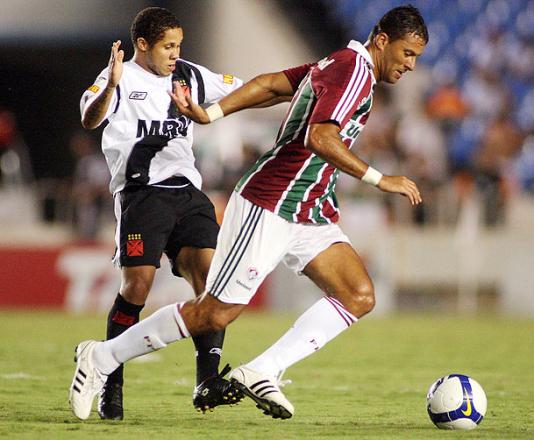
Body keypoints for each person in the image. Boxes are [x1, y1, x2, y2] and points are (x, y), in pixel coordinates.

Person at [69, 4, 427, 420]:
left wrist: (211, 112)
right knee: (211, 311)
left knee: (358, 294)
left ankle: (261, 370)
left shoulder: (338, 63)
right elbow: (319, 137)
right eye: (407, 53)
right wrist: (381, 179)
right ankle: (102, 357)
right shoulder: (354, 71)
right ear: (382, 41)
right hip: (271, 199)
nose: (411, 65)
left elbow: (270, 85)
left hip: (308, 206)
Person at [71, 7, 246, 420]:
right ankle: (109, 380)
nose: (175, 53)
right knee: (137, 289)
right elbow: (89, 119)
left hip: (187, 193)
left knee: (211, 285)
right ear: (143, 45)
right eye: (168, 46)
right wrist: (111, 86)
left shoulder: (189, 74)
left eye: (179, 45)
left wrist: (302, 86)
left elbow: (247, 89)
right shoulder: (118, 78)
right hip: (142, 195)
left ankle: (207, 380)